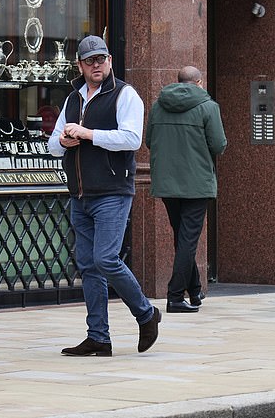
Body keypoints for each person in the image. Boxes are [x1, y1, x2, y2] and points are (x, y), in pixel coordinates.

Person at [48, 35, 161, 356]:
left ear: (110, 61)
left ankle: (146, 313)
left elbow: (131, 139)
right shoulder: (72, 99)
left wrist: (88, 134)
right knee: (88, 265)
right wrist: (65, 142)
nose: (96, 65)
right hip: (80, 194)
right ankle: (98, 336)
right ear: (80, 65)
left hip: (113, 191)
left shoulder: (125, 94)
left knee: (105, 258)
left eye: (101, 59)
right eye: (89, 61)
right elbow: (53, 145)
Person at [145, 66, 227, 313]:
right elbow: (219, 145)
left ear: (178, 82)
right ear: (199, 82)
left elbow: (149, 141)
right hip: (196, 183)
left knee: (182, 236)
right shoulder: (209, 107)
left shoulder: (159, 106)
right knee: (188, 240)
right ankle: (174, 296)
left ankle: (194, 290)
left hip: (167, 182)